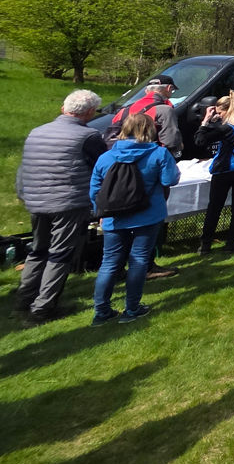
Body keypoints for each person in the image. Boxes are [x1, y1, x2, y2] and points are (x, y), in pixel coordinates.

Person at [13, 89, 107, 325]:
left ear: (63, 108)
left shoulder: (37, 132)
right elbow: (102, 167)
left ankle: (24, 298)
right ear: (89, 112)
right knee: (60, 254)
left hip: (36, 200)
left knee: (38, 249)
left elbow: (23, 169)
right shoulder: (89, 136)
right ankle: (43, 308)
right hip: (68, 202)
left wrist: (24, 194)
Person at [89, 113, 181, 325]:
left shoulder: (106, 157)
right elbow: (170, 179)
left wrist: (100, 213)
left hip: (114, 217)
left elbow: (95, 189)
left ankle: (101, 311)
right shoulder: (159, 153)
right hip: (147, 215)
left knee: (109, 263)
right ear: (150, 130)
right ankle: (132, 308)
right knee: (138, 260)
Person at [194, 91, 234, 253]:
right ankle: (231, 243)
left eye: (220, 112)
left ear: (228, 110)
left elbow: (200, 140)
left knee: (215, 208)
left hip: (225, 169)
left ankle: (206, 244)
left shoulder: (226, 129)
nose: (218, 115)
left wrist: (205, 121)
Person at [110, 73, 184, 158]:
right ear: (169, 88)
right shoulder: (165, 110)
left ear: (146, 91)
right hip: (149, 159)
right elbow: (170, 142)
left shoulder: (124, 110)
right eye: (172, 90)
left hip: (121, 157)